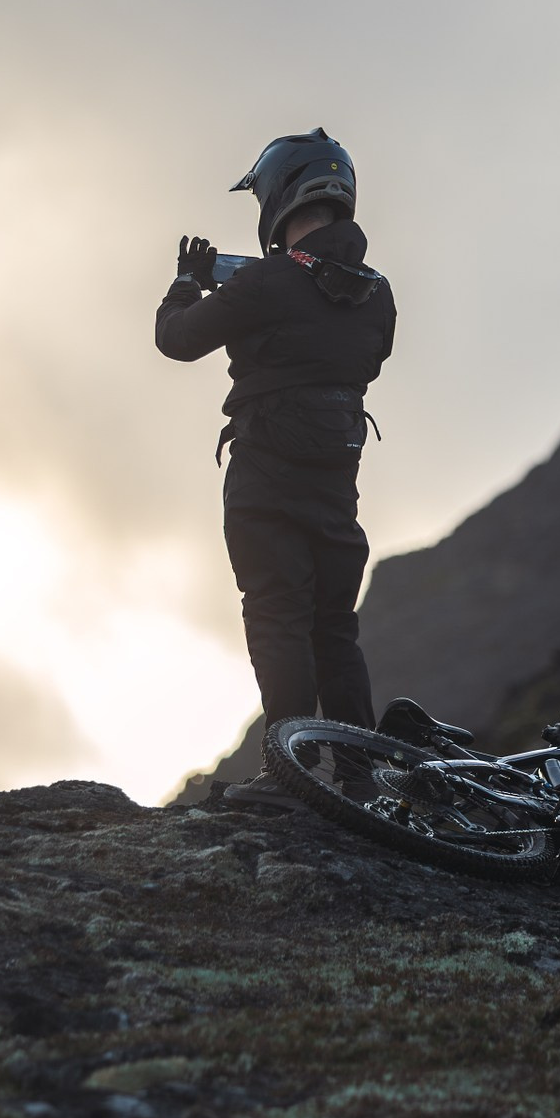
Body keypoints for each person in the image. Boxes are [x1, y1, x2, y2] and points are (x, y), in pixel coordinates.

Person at [156, 128, 395, 811]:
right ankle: (359, 775)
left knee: (276, 616)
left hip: (264, 478)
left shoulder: (265, 281)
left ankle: (290, 768)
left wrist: (185, 283)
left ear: (280, 194)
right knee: (333, 625)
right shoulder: (378, 294)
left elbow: (176, 341)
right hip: (337, 485)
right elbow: (367, 356)